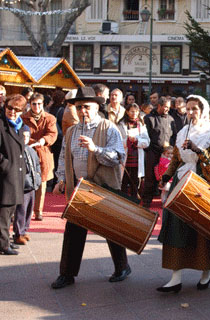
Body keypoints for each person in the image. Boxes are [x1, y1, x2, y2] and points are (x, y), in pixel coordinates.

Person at [51, 87, 131, 289]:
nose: (82, 111)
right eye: (78, 108)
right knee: (74, 230)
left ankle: (122, 267)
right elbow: (63, 157)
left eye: (86, 107)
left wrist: (95, 149)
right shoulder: (71, 131)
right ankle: (67, 274)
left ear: (96, 107)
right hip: (80, 188)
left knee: (111, 229)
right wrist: (61, 179)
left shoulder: (108, 128)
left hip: (103, 188)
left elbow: (117, 157)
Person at [157, 95, 210, 293]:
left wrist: (198, 150)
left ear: (203, 110)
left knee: (203, 230)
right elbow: (176, 159)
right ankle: (175, 278)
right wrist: (166, 176)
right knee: (176, 227)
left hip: (204, 183)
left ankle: (206, 273)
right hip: (182, 181)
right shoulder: (182, 131)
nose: (190, 113)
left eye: (194, 109)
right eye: (188, 109)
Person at [22, 93, 58, 221]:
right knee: (26, 182)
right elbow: (21, 134)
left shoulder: (50, 118)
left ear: (43, 104)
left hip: (44, 153)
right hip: (27, 152)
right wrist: (32, 142)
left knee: (41, 183)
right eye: (34, 104)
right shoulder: (23, 118)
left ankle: (38, 211)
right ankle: (26, 210)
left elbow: (53, 134)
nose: (36, 106)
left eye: (39, 104)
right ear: (30, 104)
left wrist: (43, 140)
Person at [0, 94, 27, 255]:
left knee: (9, 212)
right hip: (5, 175)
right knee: (3, 213)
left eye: (17, 110)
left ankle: (5, 240)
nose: (12, 112)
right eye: (10, 108)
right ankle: (3, 244)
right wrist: (6, 166)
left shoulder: (19, 125)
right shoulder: (2, 124)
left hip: (15, 175)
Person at [142, 96, 176, 208]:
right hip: (153, 151)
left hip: (167, 154)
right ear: (159, 106)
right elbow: (145, 136)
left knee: (168, 177)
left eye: (169, 107)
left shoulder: (171, 119)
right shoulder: (149, 118)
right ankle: (147, 201)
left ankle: (167, 201)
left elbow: (174, 135)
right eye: (165, 107)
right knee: (150, 177)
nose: (167, 109)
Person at [13, 125, 41, 245]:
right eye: (23, 136)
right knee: (21, 210)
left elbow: (37, 166)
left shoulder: (31, 150)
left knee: (29, 209)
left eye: (27, 136)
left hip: (32, 185)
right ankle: (18, 233)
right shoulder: (16, 150)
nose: (25, 138)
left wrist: (38, 178)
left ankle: (24, 230)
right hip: (22, 186)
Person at [117, 103, 150, 198]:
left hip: (137, 158)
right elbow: (117, 141)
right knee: (123, 181)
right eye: (131, 111)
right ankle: (123, 201)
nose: (134, 113)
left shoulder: (141, 124)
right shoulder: (121, 124)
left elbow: (147, 142)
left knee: (135, 182)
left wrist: (136, 140)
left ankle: (134, 200)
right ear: (127, 112)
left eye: (136, 111)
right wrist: (127, 140)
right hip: (125, 158)